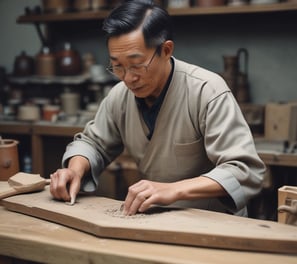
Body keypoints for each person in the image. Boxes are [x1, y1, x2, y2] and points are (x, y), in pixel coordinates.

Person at [50, 0, 265, 217]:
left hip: (212, 222)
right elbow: (93, 143)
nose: (128, 78)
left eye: (137, 65)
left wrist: (173, 189)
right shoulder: (119, 95)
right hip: (156, 219)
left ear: (166, 50)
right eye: (117, 66)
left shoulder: (207, 91)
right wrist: (75, 169)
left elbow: (243, 170)